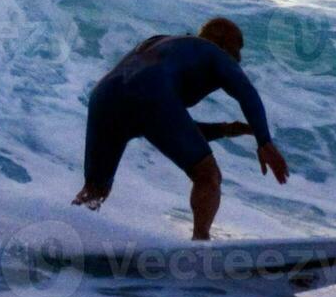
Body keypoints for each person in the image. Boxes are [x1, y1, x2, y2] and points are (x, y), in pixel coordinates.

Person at [72, 18, 289, 241]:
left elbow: (166, 126)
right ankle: (200, 244)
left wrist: (225, 129)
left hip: (104, 96)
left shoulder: (163, 44)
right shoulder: (212, 51)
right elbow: (247, 93)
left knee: (96, 189)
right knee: (208, 176)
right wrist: (265, 142)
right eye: (237, 48)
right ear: (222, 42)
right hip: (150, 93)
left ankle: (69, 235)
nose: (239, 58)